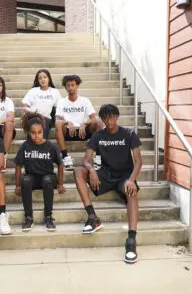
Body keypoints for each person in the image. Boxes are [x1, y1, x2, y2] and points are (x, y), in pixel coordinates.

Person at [73, 104, 142, 264]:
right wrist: (91, 170)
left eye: (111, 117)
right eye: (105, 118)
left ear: (117, 117)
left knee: (132, 192)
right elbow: (86, 160)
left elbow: (138, 161)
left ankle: (131, 240)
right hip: (105, 175)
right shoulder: (98, 135)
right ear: (102, 119)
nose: (109, 121)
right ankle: (92, 217)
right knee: (78, 171)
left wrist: (132, 179)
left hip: (124, 176)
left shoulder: (129, 134)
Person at [14, 112, 66, 232]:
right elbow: (18, 166)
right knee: (25, 180)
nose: (37, 136)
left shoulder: (51, 146)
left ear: (43, 131)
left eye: (39, 132)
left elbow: (60, 164)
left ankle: (48, 216)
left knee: (47, 180)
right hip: (32, 177)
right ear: (28, 132)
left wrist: (61, 183)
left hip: (48, 177)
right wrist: (17, 185)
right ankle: (28, 217)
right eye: (33, 133)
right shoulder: (25, 146)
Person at [55, 75, 104, 170]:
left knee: (99, 122)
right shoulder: (61, 101)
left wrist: (84, 123)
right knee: (58, 124)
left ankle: (98, 157)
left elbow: (94, 118)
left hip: (84, 131)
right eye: (68, 85)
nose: (70, 87)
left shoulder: (85, 100)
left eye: (72, 85)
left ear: (77, 86)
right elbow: (58, 119)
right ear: (65, 87)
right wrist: (67, 122)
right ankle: (65, 156)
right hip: (68, 131)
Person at [22, 69, 61, 139]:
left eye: (45, 77)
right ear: (38, 80)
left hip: (46, 118)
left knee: (43, 125)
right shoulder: (33, 91)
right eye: (40, 78)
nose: (42, 79)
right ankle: (30, 148)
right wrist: (35, 113)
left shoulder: (54, 92)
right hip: (32, 117)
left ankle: (41, 148)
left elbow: (60, 108)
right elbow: (25, 108)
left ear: (49, 78)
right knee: (33, 125)